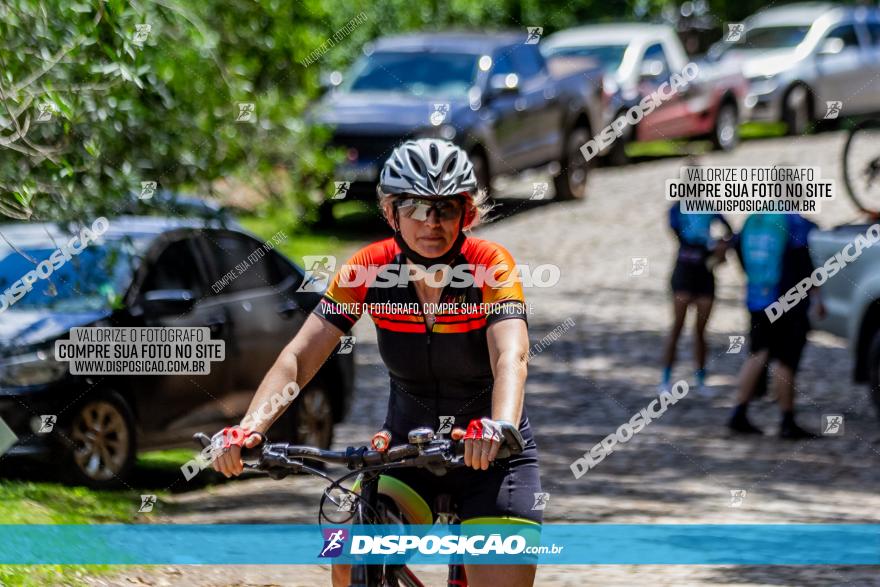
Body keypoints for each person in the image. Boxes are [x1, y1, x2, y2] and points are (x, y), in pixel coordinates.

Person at [212, 138, 542, 587]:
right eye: (416, 208)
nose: (432, 222)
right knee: (349, 549)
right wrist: (251, 427)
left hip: (492, 455)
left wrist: (501, 426)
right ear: (391, 212)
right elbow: (299, 357)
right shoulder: (368, 267)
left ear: (468, 213)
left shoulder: (490, 265)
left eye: (446, 208)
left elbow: (511, 355)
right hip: (411, 451)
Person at [728, 211, 825, 439]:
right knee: (786, 360)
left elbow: (737, 246)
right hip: (787, 302)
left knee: (758, 352)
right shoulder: (795, 222)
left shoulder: (755, 219)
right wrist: (818, 297)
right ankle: (787, 420)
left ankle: (738, 413)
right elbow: (806, 263)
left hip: (758, 298)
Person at [661, 201, 732, 395]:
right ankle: (665, 379)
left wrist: (720, 249)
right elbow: (679, 235)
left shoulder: (709, 208)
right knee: (677, 326)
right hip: (684, 273)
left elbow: (730, 231)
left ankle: (701, 379)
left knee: (701, 330)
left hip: (704, 274)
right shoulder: (676, 209)